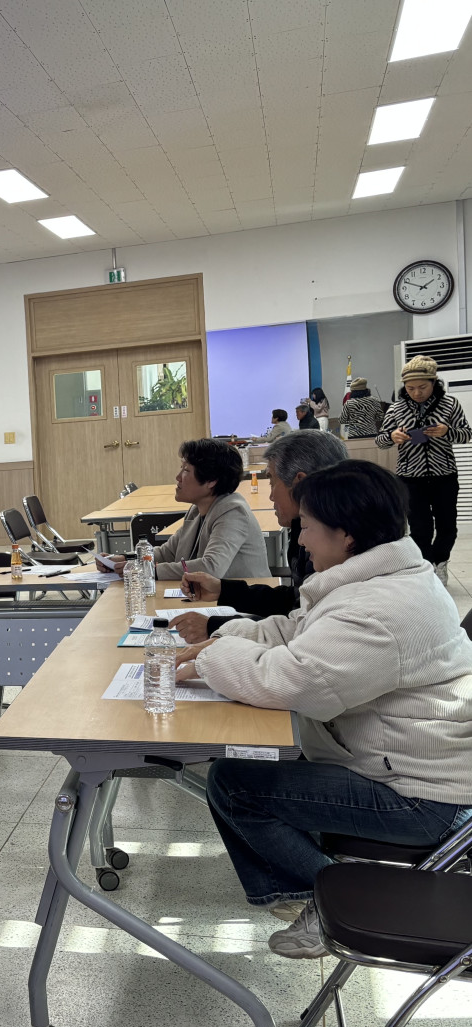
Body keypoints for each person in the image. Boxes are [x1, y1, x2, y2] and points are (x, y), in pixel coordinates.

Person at [176, 462, 472, 958]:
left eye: (308, 526)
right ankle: (317, 887)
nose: (301, 538)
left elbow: (289, 682)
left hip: (424, 800)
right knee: (267, 762)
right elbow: (299, 633)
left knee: (235, 784)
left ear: (347, 535)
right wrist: (222, 636)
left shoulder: (378, 610)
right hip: (411, 769)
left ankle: (337, 898)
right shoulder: (383, 579)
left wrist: (210, 658)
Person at [171, 430, 347, 642]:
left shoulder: (332, 545)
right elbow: (296, 601)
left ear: (299, 483)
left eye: (271, 481)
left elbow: (301, 625)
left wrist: (214, 626)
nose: (270, 495)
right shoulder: (313, 529)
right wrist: (223, 591)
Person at [105, 438, 269, 580]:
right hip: (208, 600)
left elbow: (211, 567)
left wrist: (148, 571)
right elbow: (167, 553)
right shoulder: (197, 510)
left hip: (241, 604)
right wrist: (125, 559)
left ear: (211, 480)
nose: (178, 477)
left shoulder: (232, 512)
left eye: (185, 470)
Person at [376, 355, 471, 584]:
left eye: (422, 387)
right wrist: (392, 436)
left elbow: (466, 434)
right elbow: (380, 440)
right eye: (410, 388)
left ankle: (441, 561)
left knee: (447, 526)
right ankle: (428, 569)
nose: (417, 393)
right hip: (410, 478)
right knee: (420, 528)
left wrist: (447, 432)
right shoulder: (396, 408)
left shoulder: (450, 404)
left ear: (434, 382)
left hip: (444, 475)